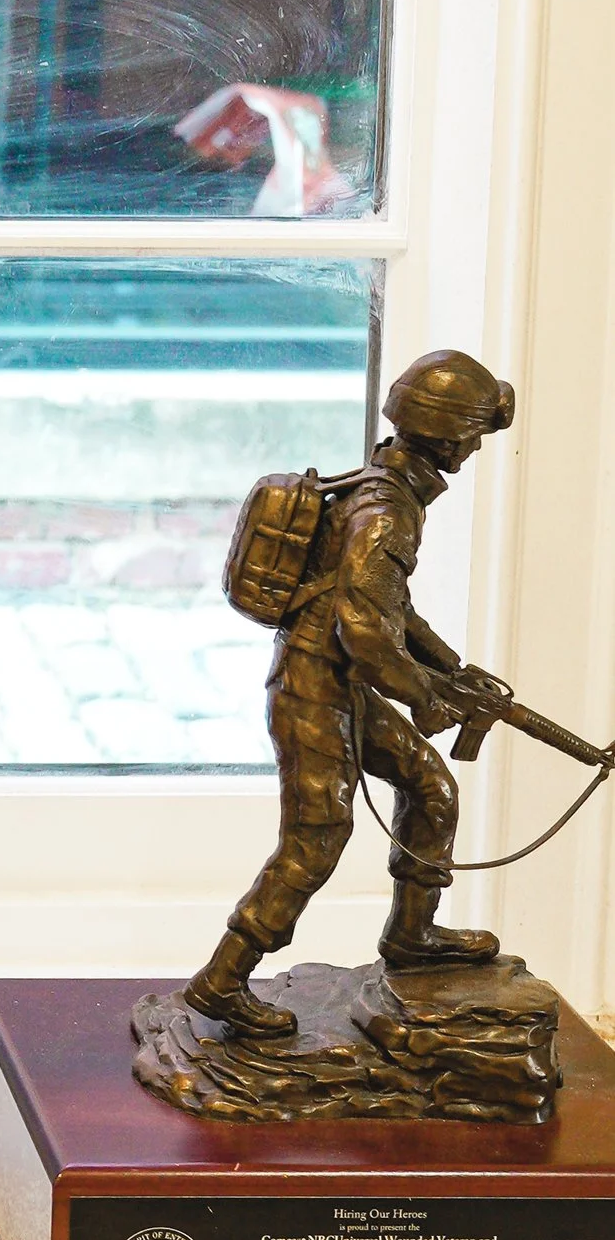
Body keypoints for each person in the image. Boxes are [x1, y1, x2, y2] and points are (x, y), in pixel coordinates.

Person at [187, 349, 518, 1037]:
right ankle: (220, 982)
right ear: (454, 438)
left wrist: (451, 668)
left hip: (335, 678)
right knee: (318, 837)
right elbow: (363, 628)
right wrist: (425, 698)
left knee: (430, 788)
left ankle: (411, 936)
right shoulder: (388, 512)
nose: (478, 445)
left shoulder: (386, 487)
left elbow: (388, 611)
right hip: (315, 686)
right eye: (477, 433)